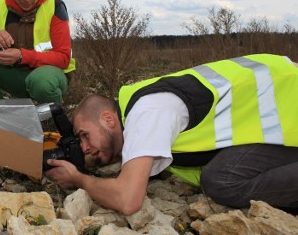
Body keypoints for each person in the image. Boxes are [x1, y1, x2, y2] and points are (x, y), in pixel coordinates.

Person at [45, 53, 298, 215]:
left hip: (290, 107)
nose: (86, 147)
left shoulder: (147, 112)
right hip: (280, 112)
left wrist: (79, 179)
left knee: (222, 180)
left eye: (85, 135)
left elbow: (128, 200)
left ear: (108, 119)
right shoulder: (138, 104)